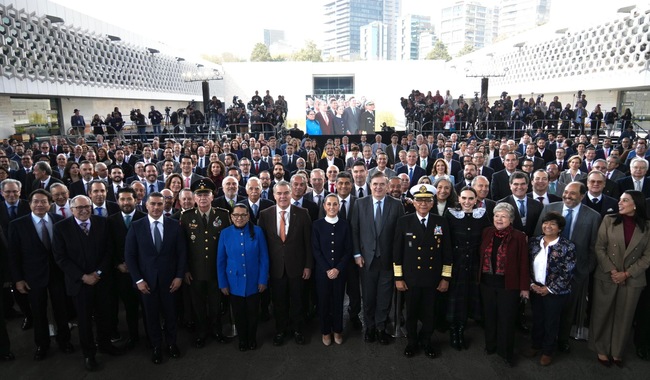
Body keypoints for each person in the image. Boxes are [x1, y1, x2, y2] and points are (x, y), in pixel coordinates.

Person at [52, 195, 121, 371]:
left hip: (102, 280)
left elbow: (109, 250)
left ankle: (105, 345)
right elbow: (61, 258)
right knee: (84, 321)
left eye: (86, 207)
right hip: (79, 284)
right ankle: (89, 354)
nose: (83, 210)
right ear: (71, 209)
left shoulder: (102, 223)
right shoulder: (61, 228)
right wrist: (83, 276)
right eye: (79, 208)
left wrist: (98, 273)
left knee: (104, 316)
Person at [8, 189, 72, 361]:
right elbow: (13, 255)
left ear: (50, 204)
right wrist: (18, 280)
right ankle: (42, 345)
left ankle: (65, 341)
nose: (39, 205)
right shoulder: (17, 224)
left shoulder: (59, 221)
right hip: (32, 277)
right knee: (38, 312)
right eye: (36, 201)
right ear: (29, 204)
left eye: (44, 201)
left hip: (58, 275)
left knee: (61, 310)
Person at [124, 192, 187, 364]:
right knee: (151, 316)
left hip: (170, 281)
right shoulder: (137, 226)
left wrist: (179, 276)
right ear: (145, 205)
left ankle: (172, 344)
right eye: (153, 204)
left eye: (160, 204)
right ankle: (156, 347)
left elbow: (182, 254)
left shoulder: (175, 225)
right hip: (146, 283)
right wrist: (138, 281)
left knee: (171, 315)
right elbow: (130, 256)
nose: (157, 207)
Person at [590, 190, 650, 367]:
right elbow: (599, 247)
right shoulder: (609, 220)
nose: (620, 203)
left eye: (625, 200)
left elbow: (647, 256)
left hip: (633, 278)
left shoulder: (647, 227)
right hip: (607, 274)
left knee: (624, 316)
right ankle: (601, 349)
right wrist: (613, 271)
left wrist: (627, 273)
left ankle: (617, 351)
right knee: (602, 313)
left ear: (636, 204)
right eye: (620, 200)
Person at [394, 184, 452, 358]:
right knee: (411, 312)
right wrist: (398, 277)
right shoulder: (404, 221)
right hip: (411, 278)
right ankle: (412, 342)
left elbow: (447, 253)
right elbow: (397, 252)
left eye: (427, 200)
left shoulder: (441, 222)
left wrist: (445, 278)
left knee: (430, 313)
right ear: (414, 202)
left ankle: (426, 341)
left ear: (432, 203)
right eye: (419, 200)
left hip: (432, 278)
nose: (423, 204)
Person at [350, 172, 404, 345]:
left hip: (388, 260)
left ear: (387, 186)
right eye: (375, 184)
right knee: (368, 296)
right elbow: (355, 230)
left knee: (384, 296)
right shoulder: (360, 203)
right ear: (370, 185)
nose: (378, 187)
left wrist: (398, 260)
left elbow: (400, 235)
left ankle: (381, 328)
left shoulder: (396, 205)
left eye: (382, 184)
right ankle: (370, 327)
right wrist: (357, 254)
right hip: (366, 260)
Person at [258, 180, 313, 346]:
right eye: (279, 193)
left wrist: (308, 265)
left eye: (286, 193)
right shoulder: (265, 214)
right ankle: (280, 330)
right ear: (273, 195)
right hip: (275, 269)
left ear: (291, 194)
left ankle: (298, 330)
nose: (282, 196)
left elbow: (308, 243)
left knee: (298, 301)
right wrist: (264, 269)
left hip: (297, 267)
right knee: (279, 302)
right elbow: (262, 245)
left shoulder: (303, 213)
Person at [180, 179, 231, 348]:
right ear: (194, 198)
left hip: (217, 271)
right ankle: (202, 332)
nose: (202, 198)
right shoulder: (186, 217)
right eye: (199, 195)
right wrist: (185, 269)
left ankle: (217, 330)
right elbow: (183, 247)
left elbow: (228, 245)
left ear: (212, 196)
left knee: (216, 304)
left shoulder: (223, 215)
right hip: (195, 271)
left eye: (206, 194)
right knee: (198, 304)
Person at [478, 202, 530, 367]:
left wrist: (524, 288)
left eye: (504, 216)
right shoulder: (486, 232)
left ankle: (506, 352)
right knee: (490, 317)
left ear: (511, 219)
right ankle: (490, 346)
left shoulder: (519, 237)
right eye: (496, 215)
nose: (499, 219)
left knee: (506, 320)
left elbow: (523, 263)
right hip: (487, 284)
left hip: (508, 286)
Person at [525, 212, 576, 366]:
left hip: (555, 292)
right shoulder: (534, 242)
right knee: (537, 319)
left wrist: (549, 289)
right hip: (535, 288)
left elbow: (568, 271)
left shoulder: (567, 246)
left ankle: (548, 351)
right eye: (546, 223)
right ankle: (536, 345)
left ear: (560, 228)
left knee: (551, 321)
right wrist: (531, 284)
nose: (548, 226)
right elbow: (525, 265)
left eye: (553, 224)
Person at [217, 203, 269, 352]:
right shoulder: (225, 233)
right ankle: (242, 339)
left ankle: (252, 338)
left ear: (248, 216)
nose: (239, 218)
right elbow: (220, 261)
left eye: (243, 215)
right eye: (236, 215)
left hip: (254, 281)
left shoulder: (258, 232)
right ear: (231, 217)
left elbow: (264, 258)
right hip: (234, 282)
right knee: (238, 314)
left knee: (253, 314)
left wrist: (263, 280)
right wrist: (223, 283)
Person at [445, 187, 490, 350]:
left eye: (471, 199)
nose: (467, 202)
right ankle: (453, 330)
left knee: (468, 297)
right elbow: (446, 240)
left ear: (476, 199)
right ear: (459, 198)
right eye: (464, 198)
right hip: (456, 262)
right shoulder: (450, 214)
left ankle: (462, 329)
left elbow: (487, 237)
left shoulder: (482, 215)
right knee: (455, 296)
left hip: (474, 263)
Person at [106, 187, 147, 350]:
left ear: (136, 200)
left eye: (129, 199)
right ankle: (134, 337)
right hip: (122, 272)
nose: (126, 202)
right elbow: (109, 246)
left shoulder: (144, 218)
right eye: (122, 199)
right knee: (129, 308)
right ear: (117, 201)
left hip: (143, 271)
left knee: (146, 307)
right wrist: (117, 264)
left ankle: (151, 335)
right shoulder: (110, 220)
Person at [312, 194, 352, 346]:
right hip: (323, 272)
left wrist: (338, 269)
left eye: (335, 204)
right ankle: (325, 331)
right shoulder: (317, 225)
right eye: (329, 204)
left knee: (338, 302)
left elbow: (348, 250)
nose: (332, 207)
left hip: (340, 273)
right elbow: (316, 250)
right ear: (324, 206)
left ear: (339, 206)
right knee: (323, 302)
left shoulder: (344, 224)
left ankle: (337, 330)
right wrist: (328, 269)